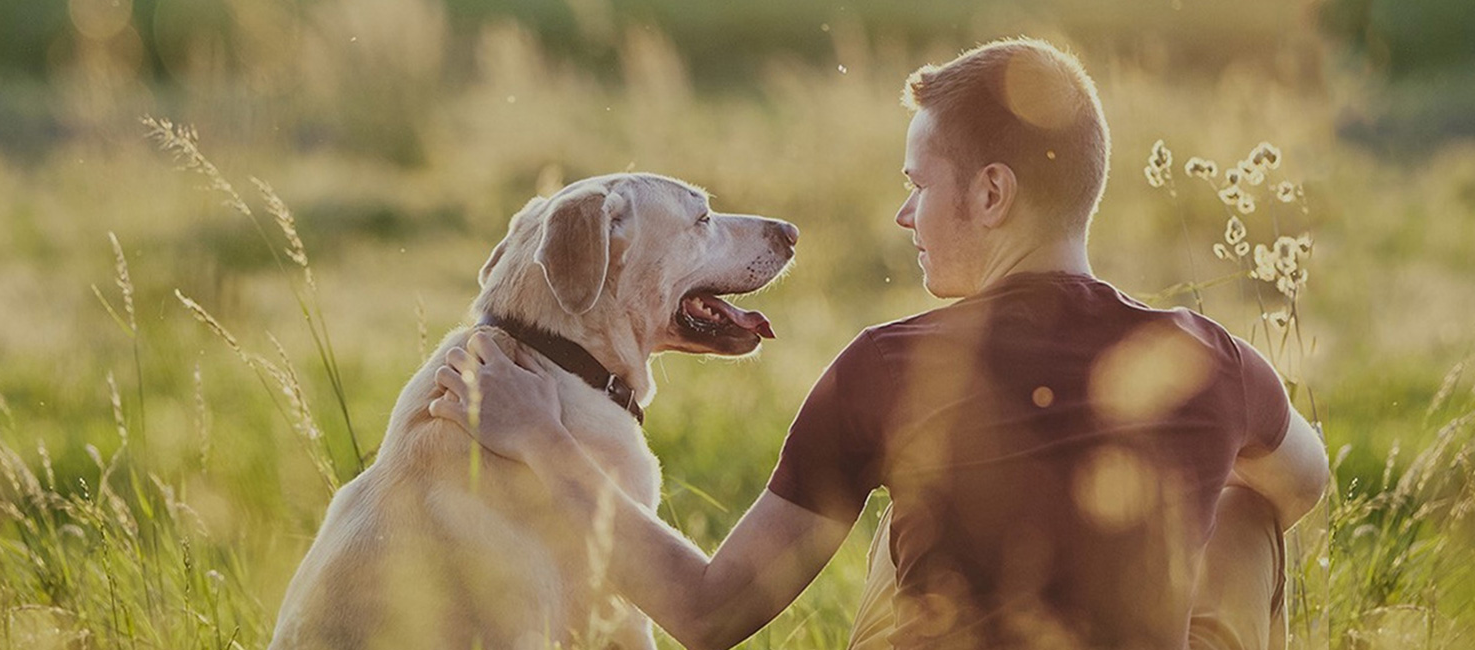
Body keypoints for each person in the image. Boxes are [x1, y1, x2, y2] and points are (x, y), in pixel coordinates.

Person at [426, 38, 1329, 650]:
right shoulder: (1210, 357)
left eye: (918, 185)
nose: (904, 214)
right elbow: (1302, 484)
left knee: (905, 503)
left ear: (991, 195)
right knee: (1245, 510)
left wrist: (543, 441)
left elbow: (706, 614)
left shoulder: (891, 368)